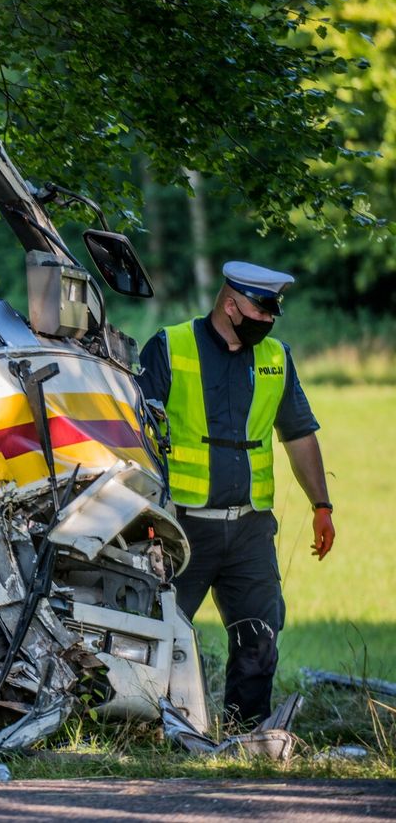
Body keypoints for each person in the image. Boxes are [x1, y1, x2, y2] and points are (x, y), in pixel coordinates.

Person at [136, 261, 336, 726]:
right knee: (159, 637)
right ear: (231, 305)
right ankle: (155, 732)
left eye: (273, 316)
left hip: (250, 530)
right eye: (260, 313)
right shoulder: (171, 347)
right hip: (180, 531)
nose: (268, 322)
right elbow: (136, 432)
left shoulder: (276, 358)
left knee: (259, 639)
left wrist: (321, 505)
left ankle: (245, 736)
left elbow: (300, 435)